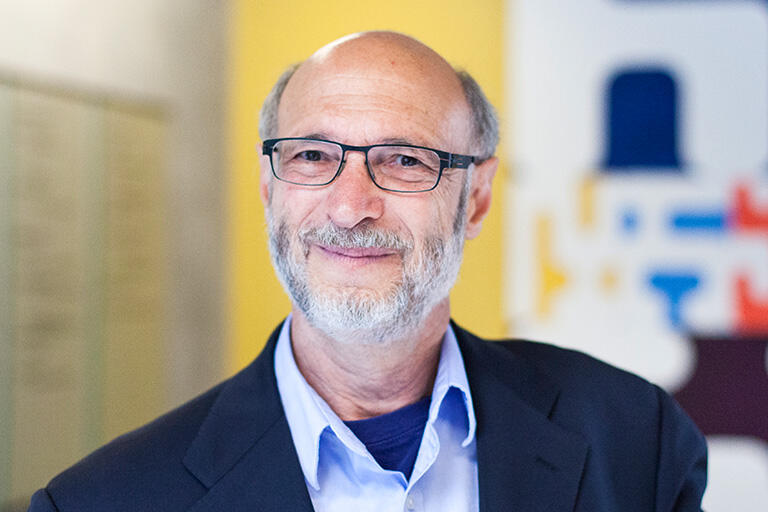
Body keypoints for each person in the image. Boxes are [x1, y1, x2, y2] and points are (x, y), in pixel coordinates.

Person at [28, 31, 707, 512]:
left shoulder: (632, 439)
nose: (352, 207)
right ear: (270, 187)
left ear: (476, 198)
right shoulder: (104, 500)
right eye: (313, 157)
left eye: (406, 161)